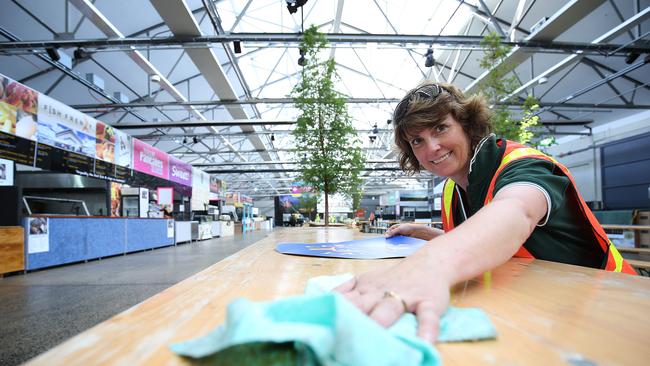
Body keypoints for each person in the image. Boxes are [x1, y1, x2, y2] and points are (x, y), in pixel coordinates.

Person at [335, 82, 636, 344]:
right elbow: (501, 246)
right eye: (417, 141)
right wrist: (429, 235)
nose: (433, 147)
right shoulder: (453, 190)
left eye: (440, 128)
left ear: (467, 125)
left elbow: (516, 212)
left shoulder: (523, 165)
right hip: (540, 310)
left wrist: (427, 266)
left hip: (616, 308)